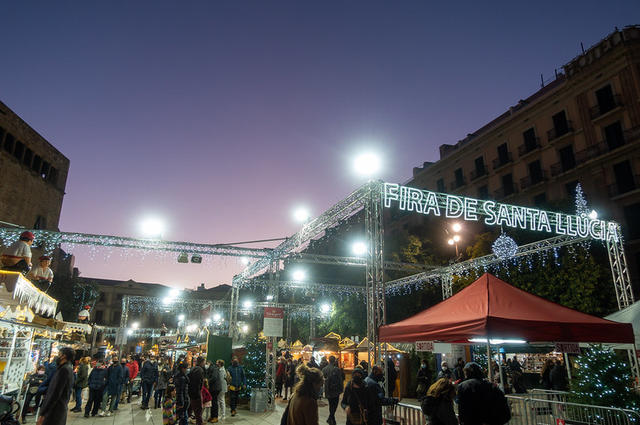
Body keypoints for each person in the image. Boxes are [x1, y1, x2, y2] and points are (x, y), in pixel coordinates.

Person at [36, 346, 75, 425]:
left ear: (63, 356)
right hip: (57, 410)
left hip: (54, 412)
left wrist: (43, 414)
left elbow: (55, 393)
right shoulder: (66, 369)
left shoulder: (64, 370)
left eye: (59, 354)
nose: (57, 356)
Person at [322, 356, 344, 425]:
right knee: (335, 405)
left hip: (328, 390)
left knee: (331, 404)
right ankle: (331, 417)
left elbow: (323, 379)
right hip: (335, 390)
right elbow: (340, 380)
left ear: (329, 360)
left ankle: (331, 418)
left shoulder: (324, 369)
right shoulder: (337, 369)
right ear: (334, 361)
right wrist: (341, 389)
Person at [188, 357, 205, 425]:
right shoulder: (199, 370)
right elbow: (197, 383)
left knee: (193, 408)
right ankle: (199, 423)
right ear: (201, 362)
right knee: (198, 410)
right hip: (196, 393)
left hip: (192, 392)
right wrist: (198, 393)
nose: (204, 363)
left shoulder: (193, 368)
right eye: (204, 361)